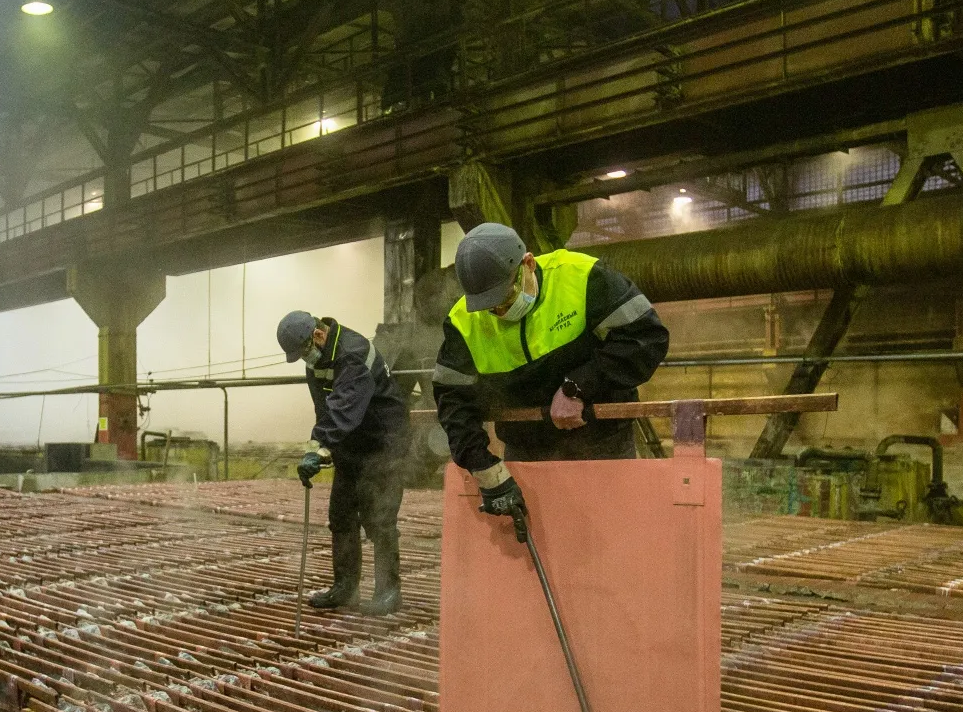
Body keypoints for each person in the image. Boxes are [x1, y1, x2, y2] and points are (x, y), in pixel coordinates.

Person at [432, 222, 670, 520]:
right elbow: (453, 401)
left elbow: (646, 338)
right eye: (490, 308)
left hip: (600, 441)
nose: (500, 313)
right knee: (537, 550)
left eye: (505, 299)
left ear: (528, 264)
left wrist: (578, 387)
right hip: (526, 447)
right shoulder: (463, 323)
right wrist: (486, 471)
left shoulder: (581, 277)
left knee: (611, 536)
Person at [276, 310, 411, 615]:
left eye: (304, 352)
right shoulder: (318, 360)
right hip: (350, 444)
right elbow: (325, 409)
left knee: (379, 517)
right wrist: (319, 450)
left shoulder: (353, 352)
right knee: (341, 515)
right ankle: (346, 588)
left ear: (318, 335)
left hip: (384, 442)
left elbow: (344, 407)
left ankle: (389, 592)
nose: (304, 360)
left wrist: (319, 445)